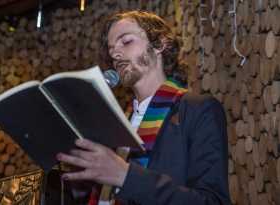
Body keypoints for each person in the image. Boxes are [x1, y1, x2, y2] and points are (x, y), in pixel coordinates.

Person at [56, 10, 230, 205]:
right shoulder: (117, 124)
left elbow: (213, 202)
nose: (115, 53)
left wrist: (125, 177)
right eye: (112, 49)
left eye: (126, 41)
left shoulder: (197, 110)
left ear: (159, 44)